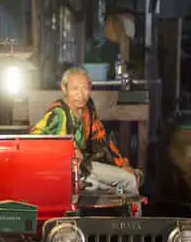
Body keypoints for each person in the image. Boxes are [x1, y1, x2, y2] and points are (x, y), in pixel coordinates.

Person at [30, 66, 140, 196]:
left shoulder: (88, 108)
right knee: (101, 188)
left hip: (84, 166)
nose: (81, 95)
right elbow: (33, 140)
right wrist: (66, 150)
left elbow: (102, 138)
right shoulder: (58, 113)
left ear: (90, 88)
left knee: (130, 180)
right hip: (61, 173)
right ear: (64, 89)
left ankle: (129, 216)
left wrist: (122, 165)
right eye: (75, 89)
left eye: (85, 89)